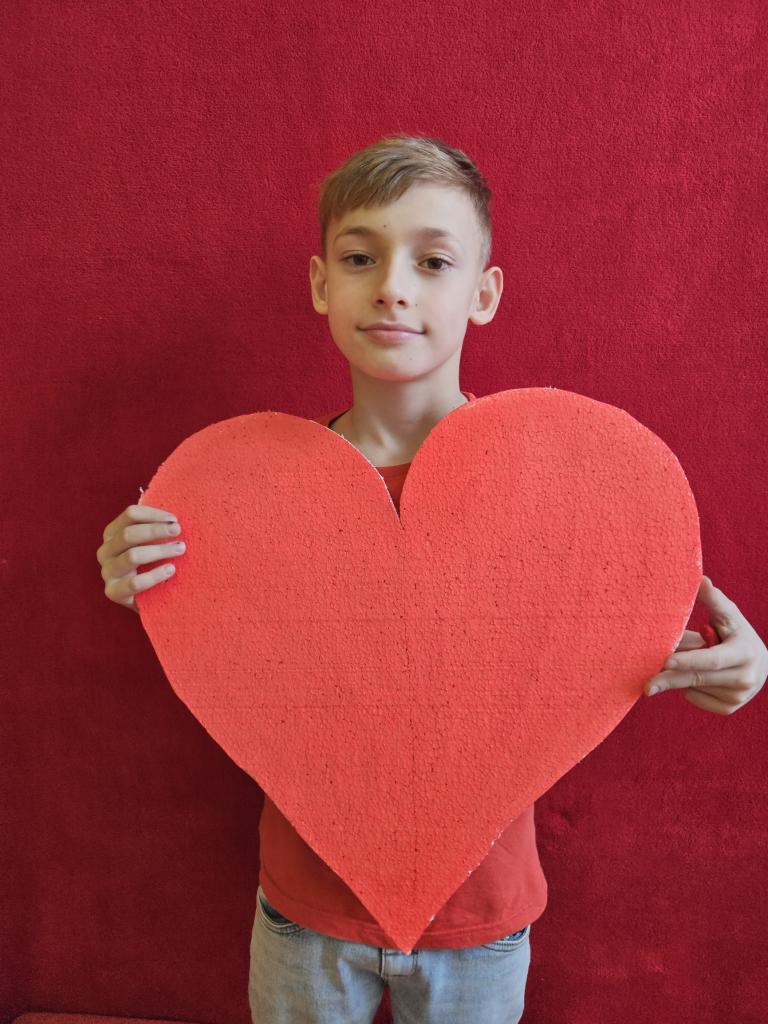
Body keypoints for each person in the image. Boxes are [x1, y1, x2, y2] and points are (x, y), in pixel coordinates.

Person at [94, 135, 768, 1023]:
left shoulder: (554, 493)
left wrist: (738, 668)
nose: (393, 286)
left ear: (483, 292)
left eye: (434, 260)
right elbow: (214, 623)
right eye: (360, 257)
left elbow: (620, 631)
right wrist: (145, 576)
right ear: (320, 284)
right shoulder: (243, 502)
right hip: (304, 917)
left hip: (481, 924)